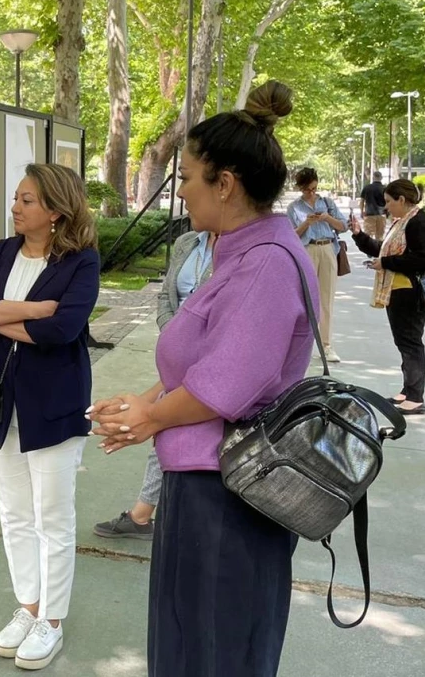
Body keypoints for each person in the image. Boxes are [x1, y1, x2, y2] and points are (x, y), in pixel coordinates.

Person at [88, 80, 317, 677]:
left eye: (187, 176)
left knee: (213, 651)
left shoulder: (264, 262)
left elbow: (226, 384)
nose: (181, 189)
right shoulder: (240, 250)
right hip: (208, 484)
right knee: (194, 639)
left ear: (227, 183)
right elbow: (204, 360)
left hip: (229, 495)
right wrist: (146, 401)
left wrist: (151, 418)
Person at [0, 163, 100, 671]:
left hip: (55, 404)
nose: (15, 207)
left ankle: (53, 620)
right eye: (16, 199)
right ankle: (29, 605)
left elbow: (64, 330)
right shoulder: (0, 252)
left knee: (53, 518)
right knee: (14, 513)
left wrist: (0, 312)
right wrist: (34, 309)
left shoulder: (81, 261)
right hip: (2, 404)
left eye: (26, 201)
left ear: (55, 211)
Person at [92, 229, 215, 541]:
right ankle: (143, 513)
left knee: (168, 425)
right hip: (179, 350)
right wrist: (176, 336)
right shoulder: (188, 242)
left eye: (190, 179)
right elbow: (166, 296)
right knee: (165, 423)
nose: (185, 193)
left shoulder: (242, 250)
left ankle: (143, 514)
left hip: (211, 351)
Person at [349, 179, 425, 416]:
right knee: (404, 342)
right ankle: (408, 391)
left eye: (389, 202)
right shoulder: (403, 222)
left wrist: (385, 263)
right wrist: (358, 235)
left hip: (411, 292)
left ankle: (415, 397)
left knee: (410, 343)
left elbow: (422, 260)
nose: (386, 207)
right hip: (398, 292)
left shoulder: (418, 223)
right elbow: (383, 250)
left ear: (401, 200)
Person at [287, 167, 347, 361]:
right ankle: (301, 346)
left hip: (328, 247)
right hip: (307, 250)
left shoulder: (327, 203)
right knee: (305, 299)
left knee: (326, 299)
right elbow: (291, 235)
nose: (311, 193)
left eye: (313, 188)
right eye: (307, 190)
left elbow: (344, 226)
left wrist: (327, 218)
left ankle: (326, 345)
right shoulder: (294, 207)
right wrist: (306, 223)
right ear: (300, 188)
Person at [360, 171, 388, 242]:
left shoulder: (367, 188)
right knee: (380, 237)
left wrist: (361, 211)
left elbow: (362, 201)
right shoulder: (385, 189)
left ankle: (369, 252)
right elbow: (388, 202)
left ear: (373, 177)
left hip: (369, 214)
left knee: (368, 237)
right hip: (382, 214)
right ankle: (378, 252)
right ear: (381, 178)